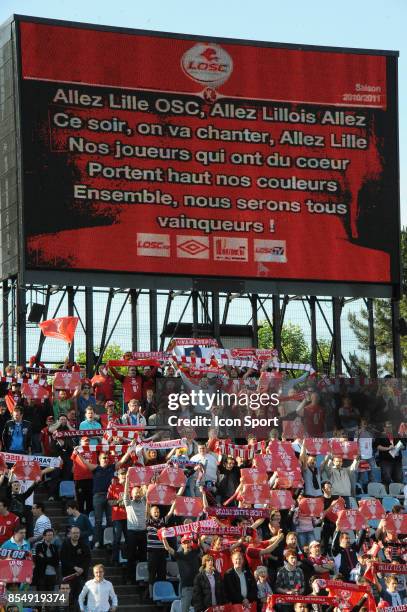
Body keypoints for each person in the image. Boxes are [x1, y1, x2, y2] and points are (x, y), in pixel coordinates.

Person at [75, 442, 136, 548]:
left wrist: (130, 450)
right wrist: (78, 454)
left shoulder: (112, 467)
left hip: (110, 497)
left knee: (110, 520)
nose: (106, 459)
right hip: (98, 496)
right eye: (104, 458)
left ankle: (108, 542)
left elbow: (122, 461)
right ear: (99, 459)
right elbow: (85, 463)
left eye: (107, 458)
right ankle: (97, 541)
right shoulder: (96, 468)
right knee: (98, 521)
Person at [162, 534, 201, 612]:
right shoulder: (179, 555)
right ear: (182, 545)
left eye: (188, 542)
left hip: (198, 586)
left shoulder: (195, 551)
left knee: (199, 609)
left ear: (191, 543)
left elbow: (199, 542)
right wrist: (163, 538)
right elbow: (168, 548)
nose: (187, 544)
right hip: (187, 587)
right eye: (185, 542)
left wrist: (198, 534)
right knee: (185, 609)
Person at [123, 470, 147, 582]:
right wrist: (127, 479)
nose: (137, 494)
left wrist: (146, 479)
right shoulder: (128, 503)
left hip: (143, 532)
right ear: (132, 494)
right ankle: (129, 577)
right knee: (131, 556)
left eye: (139, 492)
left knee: (143, 556)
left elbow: (146, 489)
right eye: (135, 492)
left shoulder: (144, 501)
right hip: (132, 532)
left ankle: (142, 578)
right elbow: (126, 492)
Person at [60, 526, 91, 602]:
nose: (76, 535)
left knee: (79, 598)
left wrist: (82, 568)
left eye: (77, 533)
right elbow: (63, 559)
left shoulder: (84, 545)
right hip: (67, 576)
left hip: (80, 576)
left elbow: (87, 559)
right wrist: (74, 567)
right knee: (66, 599)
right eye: (74, 533)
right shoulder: (65, 544)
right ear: (70, 534)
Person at [107, 469, 127, 565]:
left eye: (125, 474)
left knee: (129, 540)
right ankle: (114, 559)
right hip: (118, 517)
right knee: (117, 539)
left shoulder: (131, 486)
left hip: (129, 517)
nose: (123, 476)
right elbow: (109, 502)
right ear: (118, 476)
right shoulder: (113, 486)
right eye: (121, 474)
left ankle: (128, 559)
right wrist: (119, 501)